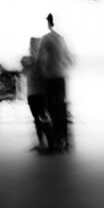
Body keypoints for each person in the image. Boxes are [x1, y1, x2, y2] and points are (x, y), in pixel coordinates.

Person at [37, 13, 73, 151]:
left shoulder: (46, 38)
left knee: (50, 109)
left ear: (48, 23)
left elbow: (40, 60)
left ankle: (55, 140)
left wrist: (41, 72)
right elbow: (70, 59)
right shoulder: (62, 39)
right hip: (61, 78)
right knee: (61, 108)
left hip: (50, 78)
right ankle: (63, 139)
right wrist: (63, 68)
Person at [20, 37, 50, 150]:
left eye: (34, 45)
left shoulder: (42, 60)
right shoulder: (27, 60)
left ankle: (47, 142)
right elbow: (23, 72)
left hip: (40, 92)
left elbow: (45, 73)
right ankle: (41, 142)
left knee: (42, 116)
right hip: (31, 93)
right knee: (36, 118)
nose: (31, 47)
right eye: (31, 45)